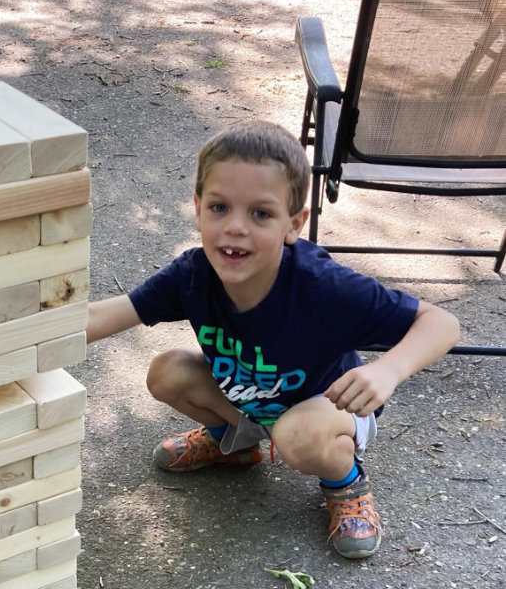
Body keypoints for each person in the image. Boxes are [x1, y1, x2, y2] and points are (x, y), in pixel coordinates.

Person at [86, 121, 460, 559]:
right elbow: (105, 315)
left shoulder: (322, 288)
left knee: (296, 434)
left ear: (294, 224)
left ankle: (346, 482)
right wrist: (10, 336)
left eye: (260, 213)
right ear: (197, 208)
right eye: (219, 207)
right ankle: (236, 445)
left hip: (325, 413)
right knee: (167, 372)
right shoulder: (193, 274)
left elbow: (442, 323)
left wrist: (387, 370)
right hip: (252, 403)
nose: (235, 228)